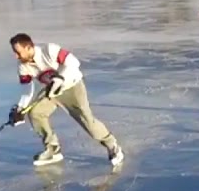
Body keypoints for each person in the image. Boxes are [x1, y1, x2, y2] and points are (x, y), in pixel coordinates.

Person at [7, 33, 124, 168]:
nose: (16, 56)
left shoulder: (49, 50)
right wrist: (20, 109)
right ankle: (53, 149)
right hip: (51, 92)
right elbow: (26, 89)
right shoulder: (22, 66)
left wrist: (61, 78)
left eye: (18, 52)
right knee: (35, 113)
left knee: (87, 122)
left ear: (28, 47)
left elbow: (74, 63)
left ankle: (112, 145)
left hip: (72, 87)